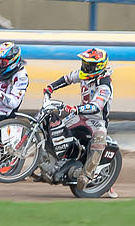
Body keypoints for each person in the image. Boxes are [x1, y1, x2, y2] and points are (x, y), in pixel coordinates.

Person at [42, 46, 115, 189]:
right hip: (80, 116)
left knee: (99, 139)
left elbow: (96, 106)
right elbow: (67, 78)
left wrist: (76, 109)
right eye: (85, 63)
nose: (85, 67)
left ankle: (87, 175)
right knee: (56, 129)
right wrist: (51, 87)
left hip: (97, 121)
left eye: (89, 65)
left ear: (99, 67)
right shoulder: (84, 74)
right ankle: (51, 162)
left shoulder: (105, 85)